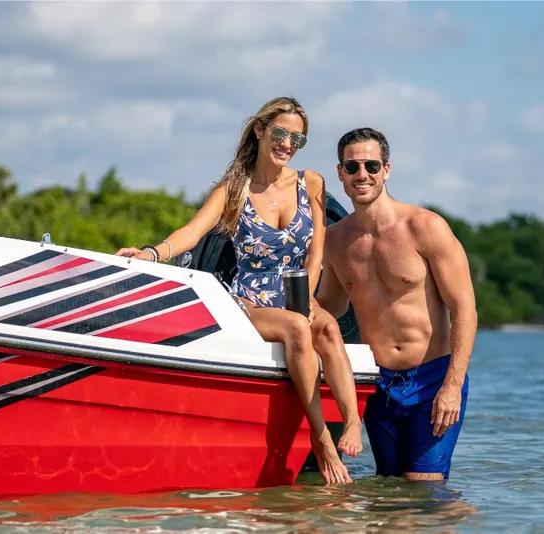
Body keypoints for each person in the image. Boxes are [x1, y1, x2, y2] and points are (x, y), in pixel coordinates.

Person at [116, 97, 362, 485]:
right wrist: (151, 253)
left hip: (295, 294)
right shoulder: (234, 189)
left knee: (329, 328)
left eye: (297, 139)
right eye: (280, 133)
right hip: (248, 300)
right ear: (260, 130)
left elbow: (316, 250)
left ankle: (352, 423)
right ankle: (320, 437)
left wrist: (309, 297)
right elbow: (192, 233)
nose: (287, 145)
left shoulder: (311, 183)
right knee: (298, 329)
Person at [315, 127, 477, 481]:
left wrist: (452, 386)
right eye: (352, 167)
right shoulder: (336, 240)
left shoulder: (425, 227)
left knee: (423, 487)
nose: (362, 175)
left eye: (371, 166)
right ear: (340, 172)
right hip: (377, 385)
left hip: (432, 379)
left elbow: (464, 309)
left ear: (386, 170)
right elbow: (330, 305)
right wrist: (276, 315)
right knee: (389, 490)